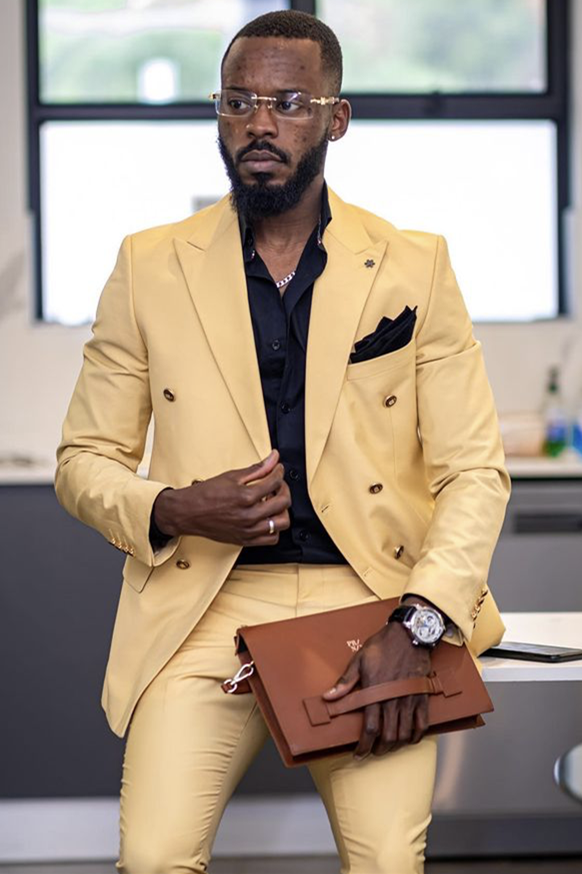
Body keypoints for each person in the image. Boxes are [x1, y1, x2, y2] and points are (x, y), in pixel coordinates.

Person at [55, 10, 510, 874]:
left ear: (337, 119)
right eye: (239, 102)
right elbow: (82, 463)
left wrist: (417, 625)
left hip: (377, 602)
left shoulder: (414, 264)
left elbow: (473, 473)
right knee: (153, 860)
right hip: (203, 603)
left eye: (290, 102)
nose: (260, 124)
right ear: (218, 115)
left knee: (386, 861)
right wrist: (174, 504)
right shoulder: (149, 264)